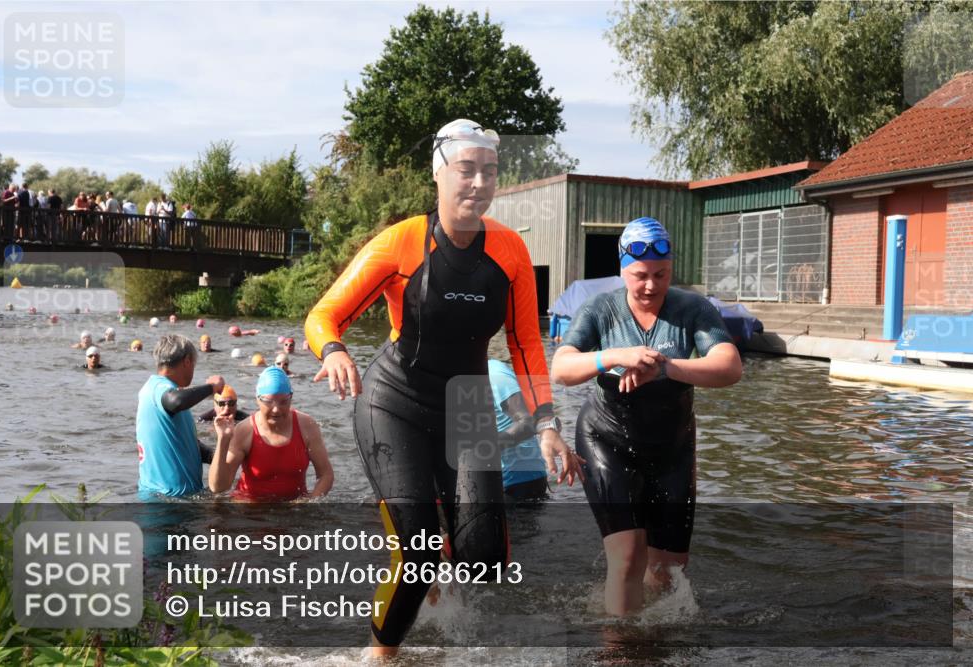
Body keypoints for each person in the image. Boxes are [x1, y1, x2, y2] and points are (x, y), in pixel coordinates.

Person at [305, 118, 582, 655]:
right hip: (395, 402)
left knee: (483, 559)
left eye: (490, 173)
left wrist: (546, 423)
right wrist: (334, 350)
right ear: (439, 175)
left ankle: (435, 569)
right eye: (466, 170)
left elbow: (526, 344)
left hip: (468, 406)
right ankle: (379, 655)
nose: (478, 184)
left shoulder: (510, 252)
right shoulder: (402, 243)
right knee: (415, 553)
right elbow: (324, 314)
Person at [551, 217, 742, 616]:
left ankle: (654, 644)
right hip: (608, 441)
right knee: (628, 556)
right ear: (623, 270)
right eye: (640, 276)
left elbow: (729, 366)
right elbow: (562, 369)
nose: (651, 285)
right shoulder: (601, 309)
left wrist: (667, 368)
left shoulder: (691, 308)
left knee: (668, 571)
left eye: (662, 274)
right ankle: (618, 650)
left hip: (672, 448)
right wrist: (615, 356)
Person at [208, 366, 333, 501]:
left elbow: (326, 474)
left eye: (283, 402)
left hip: (293, 508)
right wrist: (223, 440)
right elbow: (218, 487)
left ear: (291, 398)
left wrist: (310, 502)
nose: (276, 409)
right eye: (268, 402)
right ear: (258, 399)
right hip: (250, 510)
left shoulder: (307, 426)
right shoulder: (245, 430)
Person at [136, 335, 226, 499]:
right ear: (187, 361)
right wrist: (212, 387)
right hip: (166, 501)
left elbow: (185, 443)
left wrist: (221, 456)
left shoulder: (158, 389)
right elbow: (176, 401)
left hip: (172, 497)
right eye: (194, 365)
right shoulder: (160, 388)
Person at [487, 359, 549, 501]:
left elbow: (527, 423)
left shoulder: (494, 374)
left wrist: (480, 448)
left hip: (518, 482)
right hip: (494, 480)